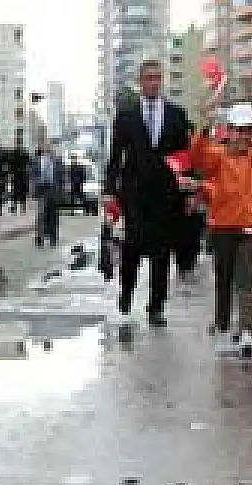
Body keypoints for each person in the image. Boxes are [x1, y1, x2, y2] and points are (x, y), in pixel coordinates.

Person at [103, 58, 191, 326]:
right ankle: (126, 293)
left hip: (166, 194)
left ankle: (156, 307)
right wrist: (109, 190)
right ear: (140, 82)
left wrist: (188, 190)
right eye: (148, 78)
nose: (153, 83)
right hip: (134, 193)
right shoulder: (126, 116)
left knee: (162, 252)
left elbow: (184, 156)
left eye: (157, 78)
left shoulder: (176, 114)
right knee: (132, 247)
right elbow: (115, 155)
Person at [190, 102, 252, 355]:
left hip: (251, 229)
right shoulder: (218, 156)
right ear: (230, 131)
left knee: (247, 280)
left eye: (250, 131)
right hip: (222, 228)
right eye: (240, 130)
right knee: (224, 279)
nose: (245, 136)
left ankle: (246, 329)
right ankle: (222, 321)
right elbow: (198, 157)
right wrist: (204, 125)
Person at [33, 140, 66, 247]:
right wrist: (35, 185)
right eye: (46, 148)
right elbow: (33, 175)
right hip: (42, 190)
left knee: (53, 215)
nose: (48, 150)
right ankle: (40, 237)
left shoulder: (58, 162)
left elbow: (62, 178)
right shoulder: (37, 161)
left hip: (54, 190)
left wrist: (62, 191)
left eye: (50, 148)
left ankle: (53, 237)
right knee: (41, 214)